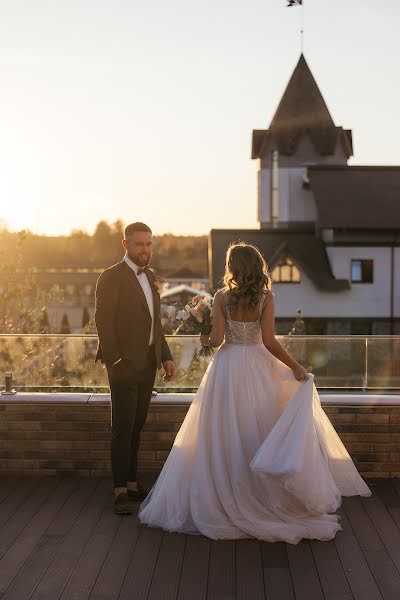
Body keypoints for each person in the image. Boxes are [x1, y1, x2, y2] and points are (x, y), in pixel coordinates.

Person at [138, 241, 371, 543]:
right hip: (260, 367)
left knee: (224, 432)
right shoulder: (266, 298)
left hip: (228, 367)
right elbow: (271, 341)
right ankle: (262, 492)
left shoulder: (221, 297)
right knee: (257, 429)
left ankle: (227, 491)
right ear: (257, 266)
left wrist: (203, 333)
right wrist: (296, 367)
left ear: (233, 268)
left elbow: (218, 339)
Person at [94, 221, 176, 515]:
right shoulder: (111, 277)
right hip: (124, 365)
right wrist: (115, 359)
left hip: (148, 364)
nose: (145, 249)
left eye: (149, 244)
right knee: (123, 427)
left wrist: (165, 356)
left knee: (137, 425)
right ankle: (118, 489)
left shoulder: (151, 276)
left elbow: (157, 323)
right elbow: (103, 321)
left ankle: (130, 482)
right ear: (126, 245)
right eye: (140, 244)